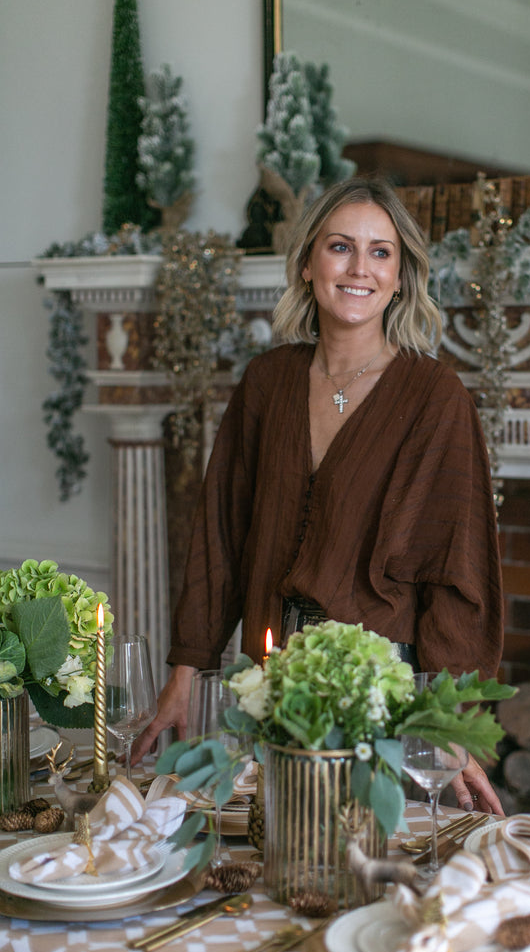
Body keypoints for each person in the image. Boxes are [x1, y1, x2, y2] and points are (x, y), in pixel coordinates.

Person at [133, 176, 504, 813]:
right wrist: (185, 676)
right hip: (266, 686)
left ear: (400, 275)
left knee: (360, 877)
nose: (361, 268)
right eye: (341, 247)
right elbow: (220, 537)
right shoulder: (267, 382)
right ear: (308, 264)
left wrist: (450, 723)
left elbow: (458, 574)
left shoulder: (435, 397)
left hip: (380, 701)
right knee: (267, 864)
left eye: (381, 252)